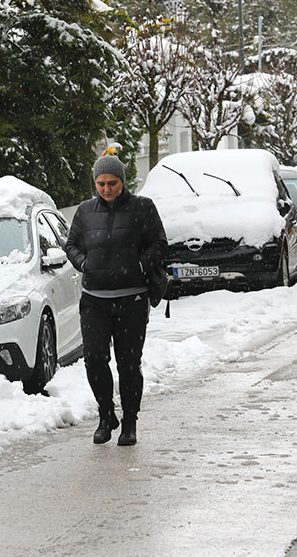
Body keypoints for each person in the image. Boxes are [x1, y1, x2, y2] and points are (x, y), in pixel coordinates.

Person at [65, 150, 167, 446]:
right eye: (101, 184)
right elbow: (71, 244)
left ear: (122, 181)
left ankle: (130, 422)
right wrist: (83, 263)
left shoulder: (143, 208)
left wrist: (139, 264)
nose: (106, 189)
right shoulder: (85, 211)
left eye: (112, 183)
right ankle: (106, 414)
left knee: (128, 364)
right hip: (94, 299)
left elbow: (160, 244)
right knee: (94, 358)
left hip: (131, 300)